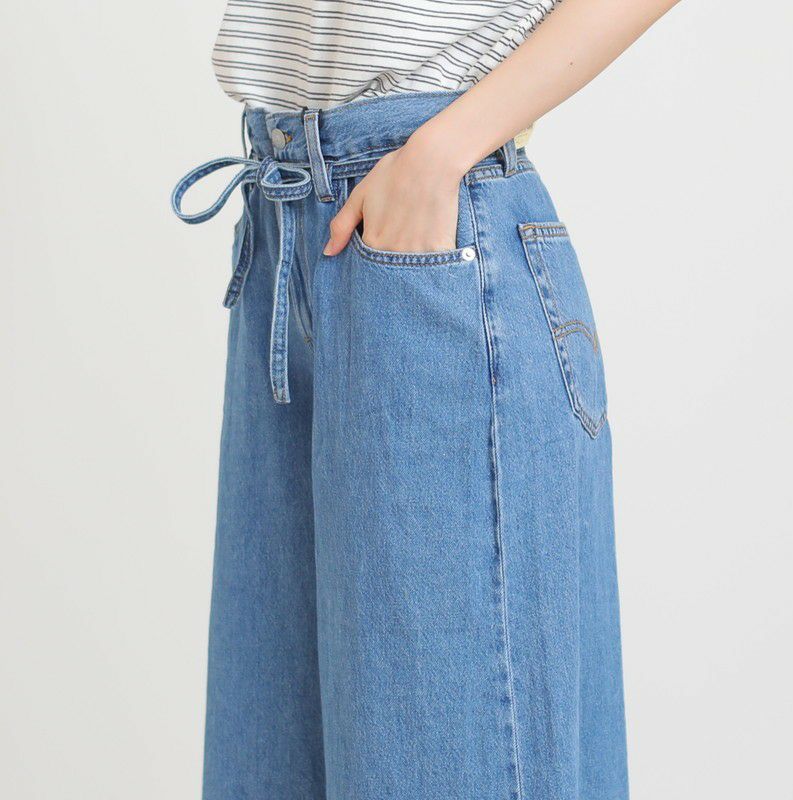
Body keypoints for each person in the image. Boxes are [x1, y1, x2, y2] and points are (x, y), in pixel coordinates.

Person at [171, 2, 679, 799]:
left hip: (428, 229)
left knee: (444, 760)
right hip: (280, 219)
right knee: (271, 759)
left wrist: (441, 149)